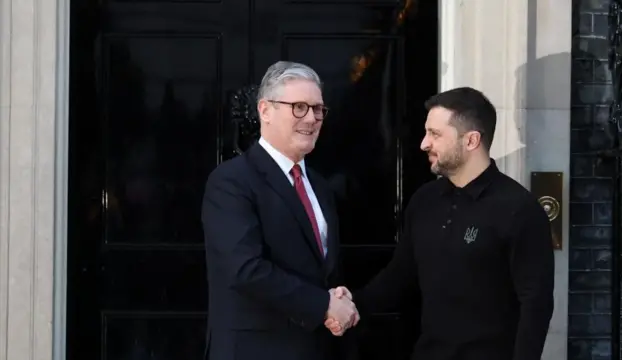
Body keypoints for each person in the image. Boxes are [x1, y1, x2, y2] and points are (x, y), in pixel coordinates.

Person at [326, 87, 555, 360]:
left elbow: (535, 305)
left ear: (471, 141)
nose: (424, 143)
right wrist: (349, 305)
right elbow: (399, 276)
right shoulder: (425, 200)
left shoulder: (519, 209)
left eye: (435, 134)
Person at [201, 61, 359, 360]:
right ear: (265, 111)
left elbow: (322, 269)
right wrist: (323, 305)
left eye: (318, 109)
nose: (311, 118)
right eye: (299, 107)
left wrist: (339, 300)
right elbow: (245, 269)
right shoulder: (231, 181)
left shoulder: (320, 187)